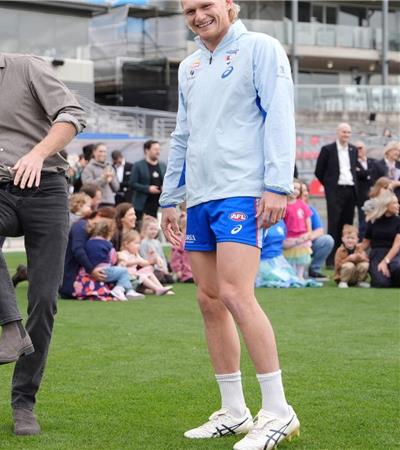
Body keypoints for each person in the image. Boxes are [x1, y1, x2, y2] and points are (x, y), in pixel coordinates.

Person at [160, 1, 300, 448]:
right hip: (200, 194)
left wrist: (277, 184)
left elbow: (279, 113)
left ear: (230, 6)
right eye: (189, 10)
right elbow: (182, 134)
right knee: (208, 299)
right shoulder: (190, 66)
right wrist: (170, 196)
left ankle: (278, 411)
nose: (199, 15)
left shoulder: (261, 47)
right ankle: (234, 411)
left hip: (244, 189)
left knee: (238, 294)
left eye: (207, 5)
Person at [0, 0, 87, 435]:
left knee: (44, 303)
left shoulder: (28, 68)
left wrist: (39, 152)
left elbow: (73, 115)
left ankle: (23, 402)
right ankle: (9, 326)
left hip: (47, 188)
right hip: (1, 193)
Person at [315, 123, 358, 266]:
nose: (346, 135)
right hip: (335, 191)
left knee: (347, 225)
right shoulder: (328, 149)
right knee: (334, 224)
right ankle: (330, 259)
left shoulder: (353, 150)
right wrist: (329, 186)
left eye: (348, 132)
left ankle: (346, 256)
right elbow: (319, 171)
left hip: (350, 189)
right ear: (338, 133)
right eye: (344, 132)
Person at [60, 207, 115, 299]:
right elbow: (78, 250)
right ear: (99, 215)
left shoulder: (87, 228)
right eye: (107, 222)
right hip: (72, 279)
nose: (106, 226)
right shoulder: (81, 226)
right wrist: (92, 270)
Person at [83, 219, 141, 300]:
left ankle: (127, 291)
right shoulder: (107, 244)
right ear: (109, 233)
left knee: (121, 272)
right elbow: (113, 259)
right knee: (123, 271)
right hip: (105, 270)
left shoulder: (89, 242)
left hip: (91, 269)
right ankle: (122, 289)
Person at [256, 219, 322, 288]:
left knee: (292, 277)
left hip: (279, 260)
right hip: (262, 260)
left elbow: (283, 244)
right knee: (278, 279)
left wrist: (298, 241)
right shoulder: (260, 220)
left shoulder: (281, 222)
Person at [361, 190, 400, 287]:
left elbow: (397, 245)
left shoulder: (398, 221)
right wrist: (355, 251)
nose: (398, 205)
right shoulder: (373, 221)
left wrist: (385, 261)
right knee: (381, 283)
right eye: (394, 203)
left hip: (395, 254)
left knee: (397, 268)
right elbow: (366, 242)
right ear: (386, 205)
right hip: (377, 255)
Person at [117, 230, 174, 295]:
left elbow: (144, 263)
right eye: (135, 243)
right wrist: (137, 261)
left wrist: (153, 260)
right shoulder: (123, 254)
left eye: (139, 243)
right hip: (129, 277)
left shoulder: (136, 254)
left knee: (148, 270)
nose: (138, 246)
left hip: (135, 276)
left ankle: (161, 288)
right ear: (126, 244)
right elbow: (124, 263)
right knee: (142, 276)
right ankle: (156, 289)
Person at [298, 182, 333, 280]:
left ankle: (314, 270)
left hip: (307, 243)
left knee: (327, 240)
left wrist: (307, 237)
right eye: (301, 190)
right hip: (290, 244)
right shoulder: (287, 208)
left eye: (305, 191)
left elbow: (319, 231)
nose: (304, 193)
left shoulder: (311, 209)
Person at [282, 180, 313, 280]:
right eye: (293, 188)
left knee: (302, 258)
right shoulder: (284, 205)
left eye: (298, 189)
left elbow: (307, 219)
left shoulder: (302, 204)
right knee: (291, 258)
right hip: (290, 236)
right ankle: (293, 275)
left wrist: (309, 232)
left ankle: (300, 275)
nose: (295, 191)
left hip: (302, 235)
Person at [130, 139, 166, 223]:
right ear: (147, 150)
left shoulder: (162, 165)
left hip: (159, 205)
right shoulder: (138, 165)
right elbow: (132, 183)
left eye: (159, 149)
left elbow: (167, 180)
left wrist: (164, 187)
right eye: (155, 149)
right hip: (143, 205)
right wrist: (148, 188)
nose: (158, 152)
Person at [139, 216, 176, 284]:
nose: (153, 231)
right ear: (145, 230)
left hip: (161, 268)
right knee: (161, 279)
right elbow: (144, 258)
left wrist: (164, 268)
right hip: (152, 268)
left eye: (155, 229)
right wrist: (156, 266)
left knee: (170, 280)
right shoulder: (143, 243)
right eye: (151, 229)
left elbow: (162, 257)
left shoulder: (157, 242)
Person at [80, 143, 119, 208]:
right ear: (94, 152)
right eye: (100, 151)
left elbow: (116, 188)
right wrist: (103, 178)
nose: (103, 154)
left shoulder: (110, 167)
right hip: (96, 203)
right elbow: (87, 187)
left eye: (104, 152)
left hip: (110, 202)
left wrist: (111, 179)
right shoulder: (89, 168)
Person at [353, 141, 376, 238]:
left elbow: (376, 174)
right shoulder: (353, 163)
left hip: (375, 196)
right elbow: (358, 175)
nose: (358, 150)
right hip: (361, 197)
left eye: (360, 148)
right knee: (363, 221)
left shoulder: (373, 161)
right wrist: (369, 173)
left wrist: (364, 173)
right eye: (356, 149)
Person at [170, 209, 194, 283]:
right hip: (186, 273)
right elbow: (175, 257)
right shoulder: (179, 241)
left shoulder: (195, 240)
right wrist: (178, 270)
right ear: (182, 228)